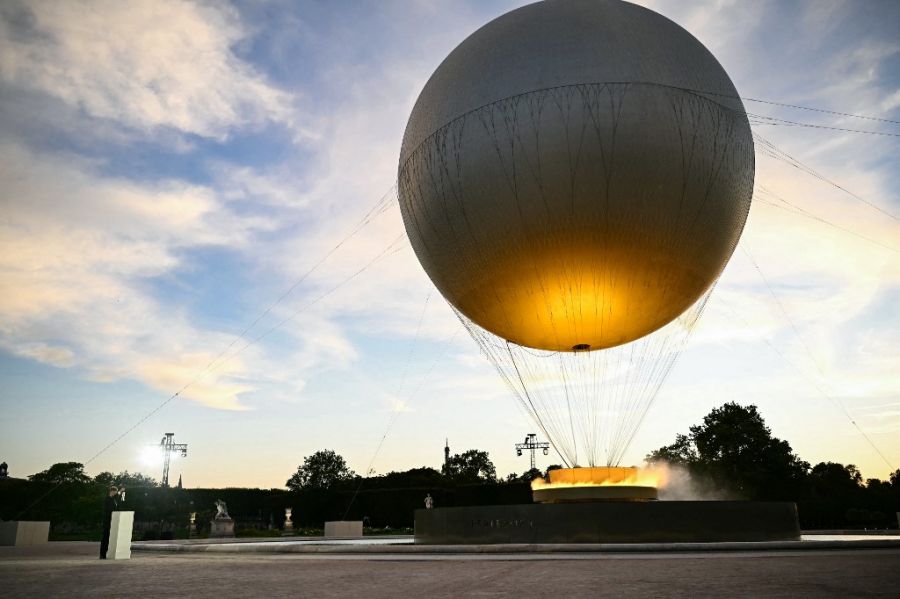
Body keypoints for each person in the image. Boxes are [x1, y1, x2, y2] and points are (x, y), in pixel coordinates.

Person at [100, 485, 121, 559]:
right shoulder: (107, 499)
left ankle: (107, 553)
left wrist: (122, 492)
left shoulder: (113, 500)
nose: (116, 494)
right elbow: (109, 510)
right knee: (105, 537)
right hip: (107, 521)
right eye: (115, 492)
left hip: (112, 521)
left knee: (109, 538)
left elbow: (121, 499)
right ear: (112, 491)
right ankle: (102, 554)